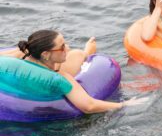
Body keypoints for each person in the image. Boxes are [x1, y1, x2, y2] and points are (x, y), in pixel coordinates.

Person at [0, 31, 145, 113]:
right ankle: (87, 53)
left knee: (73, 55)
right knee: (77, 54)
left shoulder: (18, 59)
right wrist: (124, 104)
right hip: (47, 77)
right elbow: (89, 106)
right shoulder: (60, 79)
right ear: (45, 54)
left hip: (22, 81)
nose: (66, 48)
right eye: (62, 47)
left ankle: (86, 51)